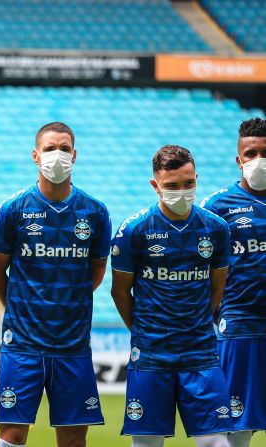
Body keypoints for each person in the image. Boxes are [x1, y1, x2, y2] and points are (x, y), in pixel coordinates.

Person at [0, 122, 111, 447]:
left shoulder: (95, 212)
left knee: (72, 439)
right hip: (23, 343)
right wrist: (19, 305)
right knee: (12, 433)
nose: (57, 155)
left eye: (64, 148)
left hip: (72, 344)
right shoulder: (12, 210)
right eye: (50, 148)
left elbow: (96, 270)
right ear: (35, 155)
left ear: (75, 154)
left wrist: (72, 299)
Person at [111, 145, 233, 447]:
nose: (182, 192)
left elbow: (217, 287)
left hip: (200, 353)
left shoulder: (216, 228)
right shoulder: (134, 230)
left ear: (196, 178)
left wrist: (198, 323)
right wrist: (142, 330)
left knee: (215, 441)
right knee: (147, 443)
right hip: (151, 355)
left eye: (188, 183)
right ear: (155, 186)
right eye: (172, 186)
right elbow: (119, 291)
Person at [200, 117, 266, 447]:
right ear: (239, 159)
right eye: (251, 153)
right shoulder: (216, 208)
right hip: (239, 327)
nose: (258, 161)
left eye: (264, 153)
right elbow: (199, 271)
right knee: (237, 425)